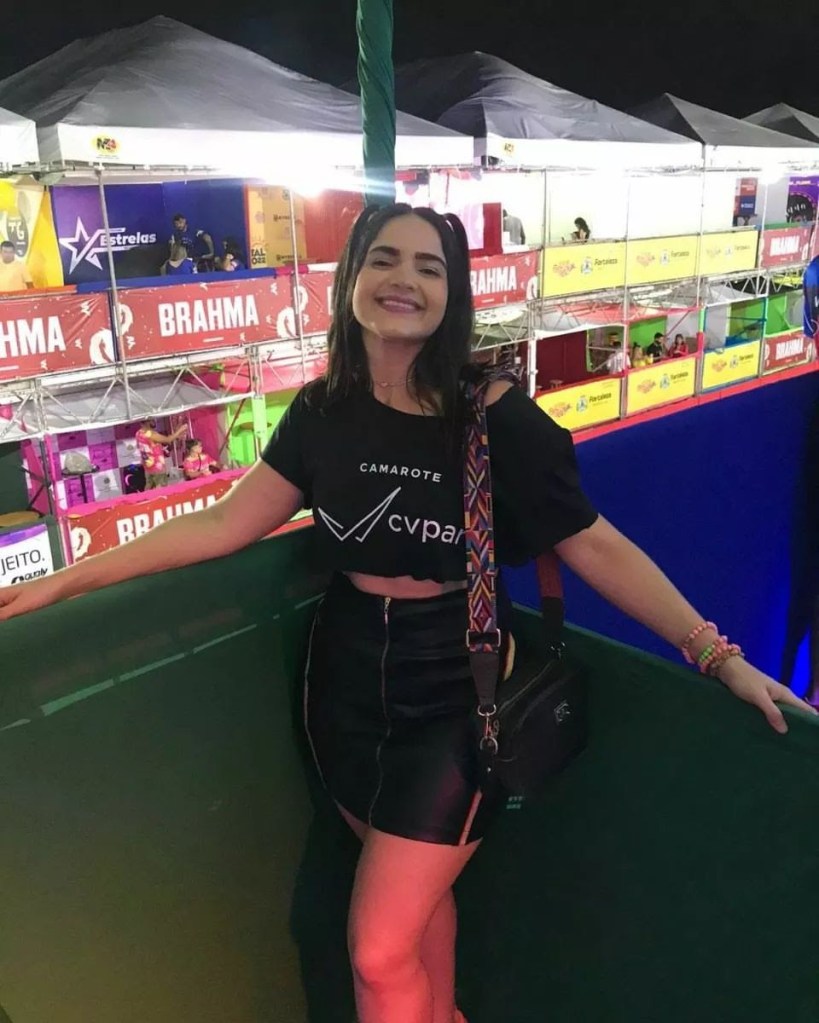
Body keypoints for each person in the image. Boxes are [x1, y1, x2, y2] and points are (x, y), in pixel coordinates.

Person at [0, 204, 813, 1023]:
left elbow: (592, 543)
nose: (404, 280)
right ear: (351, 277)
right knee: (414, 913)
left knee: (377, 950)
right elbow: (225, 522)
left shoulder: (492, 414)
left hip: (454, 695)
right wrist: (64, 584)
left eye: (430, 267)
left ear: (452, 295)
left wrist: (716, 656)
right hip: (343, 685)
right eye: (384, 258)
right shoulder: (321, 410)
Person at [135, 418, 187, 490]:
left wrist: (176, 436)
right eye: (152, 420)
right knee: (161, 489)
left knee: (149, 487)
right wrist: (180, 430)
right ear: (146, 422)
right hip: (157, 467)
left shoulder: (138, 433)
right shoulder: (150, 434)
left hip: (148, 466)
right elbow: (167, 440)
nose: (154, 421)